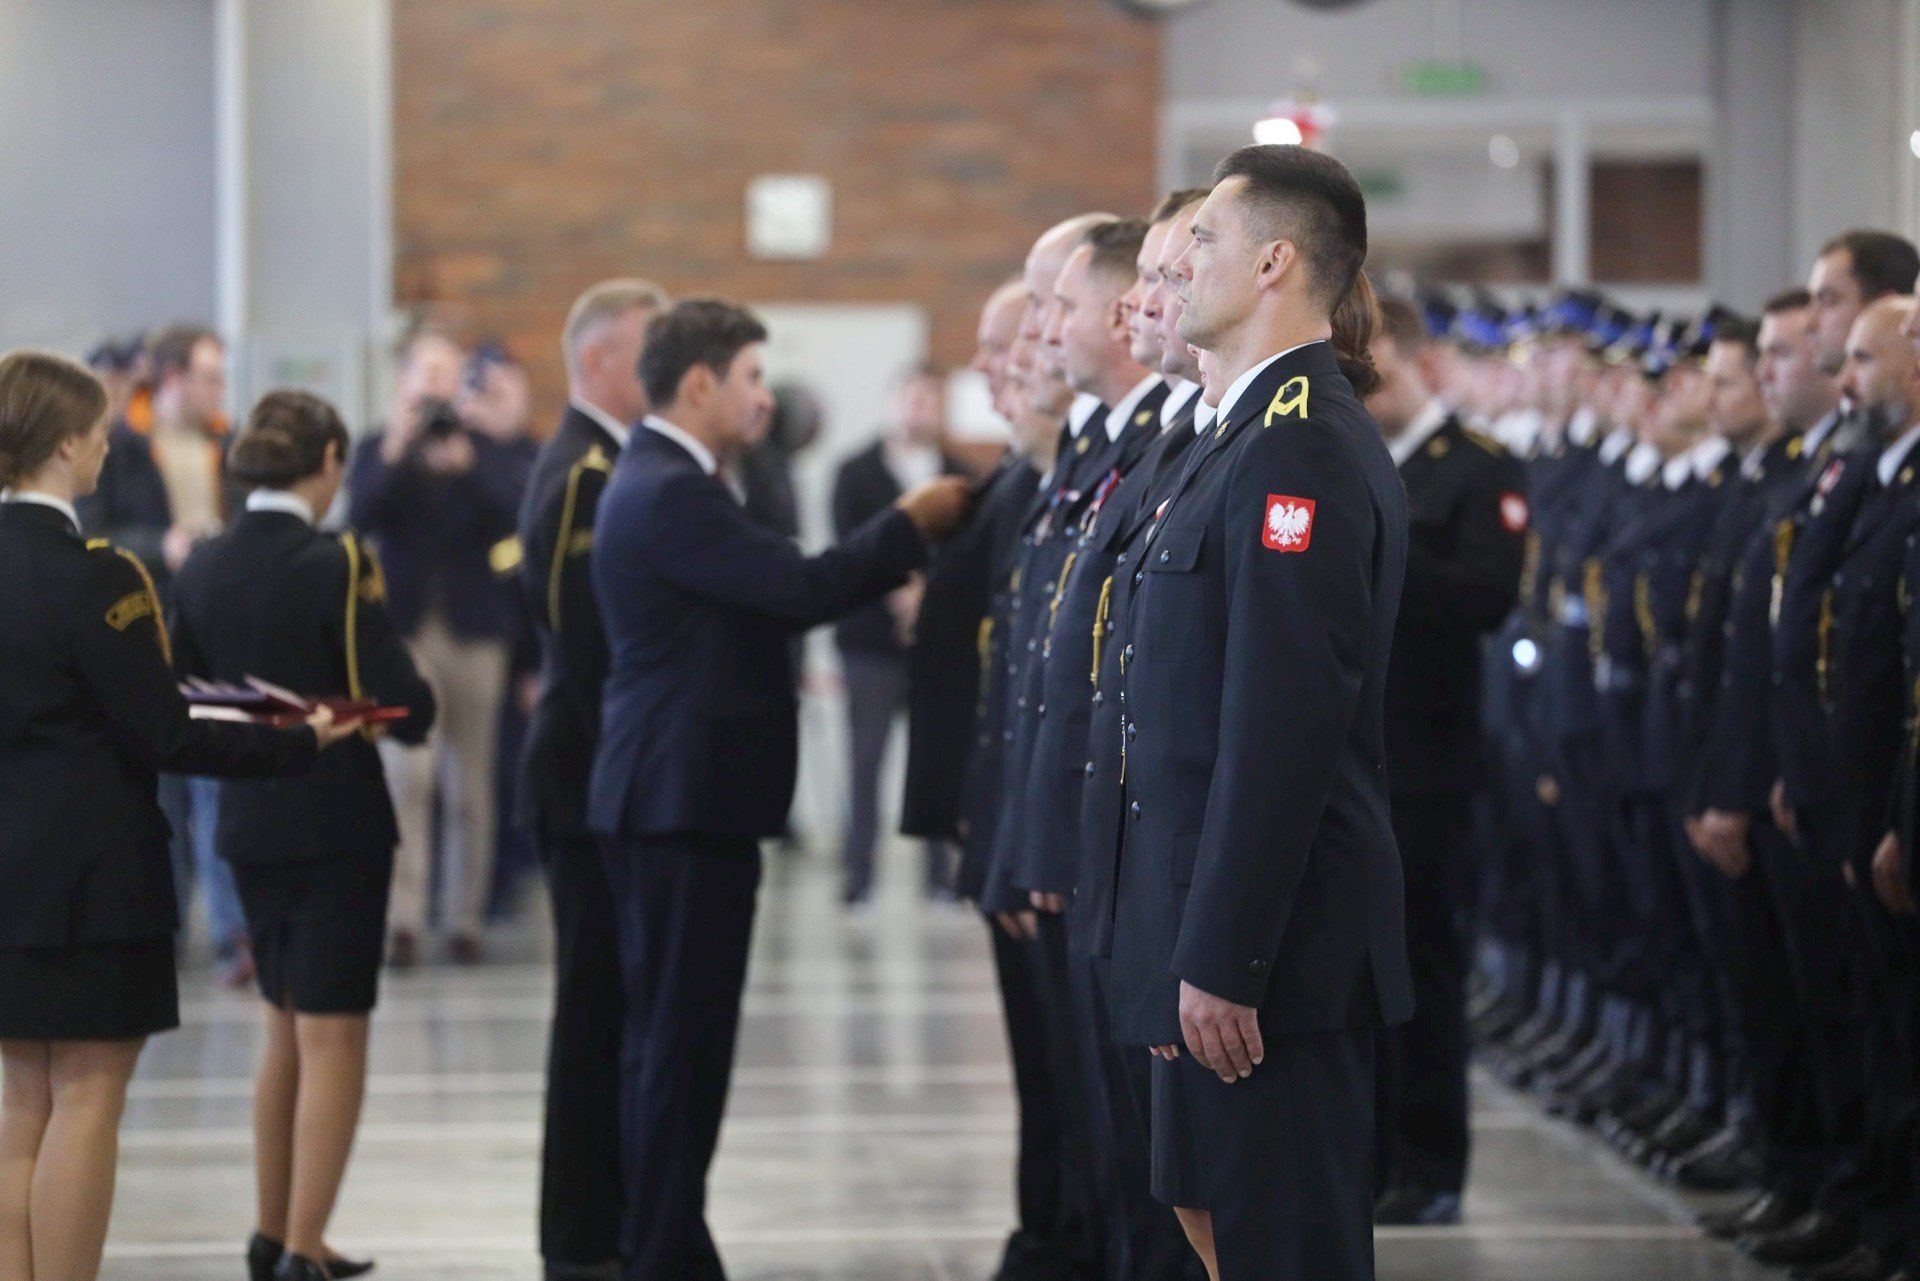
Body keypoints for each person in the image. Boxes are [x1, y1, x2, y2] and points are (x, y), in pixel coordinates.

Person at [586, 299, 970, 1280]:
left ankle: (669, 1234)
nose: (766, 399)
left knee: (682, 1038)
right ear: (703, 382)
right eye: (754, 378)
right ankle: (664, 1248)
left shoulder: (686, 478)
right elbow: (799, 588)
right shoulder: (672, 487)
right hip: (678, 798)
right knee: (678, 1042)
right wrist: (909, 526)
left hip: (686, 796)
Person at [1104, 143, 1411, 1281]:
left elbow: (1283, 728)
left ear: (1277, 261)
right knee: (1218, 1228)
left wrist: (1224, 955)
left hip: (1271, 954)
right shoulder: (1232, 438)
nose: (1178, 265)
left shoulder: (1303, 449)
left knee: (1287, 1249)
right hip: (1210, 933)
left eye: (1205, 243)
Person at [0, 349, 350, 1281]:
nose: (111, 448)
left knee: (19, 1105)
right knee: (84, 1096)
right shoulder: (97, 576)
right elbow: (163, 732)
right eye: (103, 432)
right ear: (66, 443)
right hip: (88, 877)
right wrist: (299, 741)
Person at [170, 391, 437, 1281]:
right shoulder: (335, 561)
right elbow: (400, 697)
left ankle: (273, 1228)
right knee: (334, 1037)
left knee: (283, 1027)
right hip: (335, 820)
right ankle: (301, 1247)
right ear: (326, 459)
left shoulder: (202, 562)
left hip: (246, 818)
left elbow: (184, 686)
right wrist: (405, 707)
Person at [517, 277, 668, 1281]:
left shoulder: (609, 464)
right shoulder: (585, 475)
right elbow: (593, 649)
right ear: (605, 363)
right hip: (586, 776)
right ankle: (582, 1238)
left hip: (597, 773)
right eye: (650, 354)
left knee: (610, 1008)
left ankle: (600, 1222)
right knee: (593, 1014)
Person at [1365, 296, 1525, 1226]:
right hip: (1366, 759)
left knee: (1426, 967)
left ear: (1418, 361)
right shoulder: (1364, 464)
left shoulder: (1475, 468)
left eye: (1373, 352)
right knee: (1364, 971)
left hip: (1430, 761)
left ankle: (1431, 1164)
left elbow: (1486, 595)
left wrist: (1385, 543)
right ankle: (1377, 1151)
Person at [347, 328, 530, 967]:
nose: (434, 384)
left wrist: (469, 469)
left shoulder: (488, 448)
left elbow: (515, 520)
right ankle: (401, 918)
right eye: (423, 371)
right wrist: (399, 447)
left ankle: (464, 919)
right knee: (407, 777)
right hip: (401, 632)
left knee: (472, 783)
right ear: (403, 382)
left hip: (475, 631)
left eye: (445, 372)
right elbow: (359, 517)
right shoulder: (379, 446)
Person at [76, 323, 252, 983]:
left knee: (218, 781)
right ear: (172, 378)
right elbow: (96, 530)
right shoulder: (121, 444)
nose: (217, 390)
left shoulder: (228, 445)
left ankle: (236, 934)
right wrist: (164, 545)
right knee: (161, 792)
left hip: (212, 630)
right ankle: (166, 925)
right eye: (207, 376)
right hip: (145, 626)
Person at [830, 362, 956, 907]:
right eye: (909, 398)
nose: (917, 409)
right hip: (869, 644)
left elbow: (968, 553)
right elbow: (849, 546)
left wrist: (930, 595)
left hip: (937, 645)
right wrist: (899, 590)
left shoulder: (958, 474)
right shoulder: (855, 472)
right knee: (865, 762)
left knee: (936, 760)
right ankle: (859, 880)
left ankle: (940, 880)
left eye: (929, 400)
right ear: (891, 403)